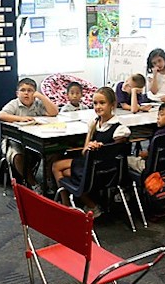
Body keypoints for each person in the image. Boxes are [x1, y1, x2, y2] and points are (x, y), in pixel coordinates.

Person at [52, 87, 131, 217]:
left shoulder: (120, 130)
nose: (98, 106)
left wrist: (103, 146)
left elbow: (118, 153)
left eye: (102, 103)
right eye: (95, 103)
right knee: (56, 166)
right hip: (90, 164)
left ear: (112, 104)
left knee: (63, 172)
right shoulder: (93, 123)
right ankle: (68, 203)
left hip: (104, 171)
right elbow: (84, 152)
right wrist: (89, 147)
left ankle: (89, 205)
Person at [0, 78, 58, 193]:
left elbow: (54, 112)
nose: (26, 93)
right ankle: (33, 183)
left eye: (30, 90)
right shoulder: (14, 104)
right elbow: (0, 115)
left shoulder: (37, 104)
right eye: (23, 90)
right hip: (14, 142)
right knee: (18, 156)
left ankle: (49, 180)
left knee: (53, 152)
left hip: (35, 141)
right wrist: (21, 119)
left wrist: (41, 97)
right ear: (17, 93)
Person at [127, 101, 165, 173]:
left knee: (126, 160)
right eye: (158, 115)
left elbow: (149, 154)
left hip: (151, 168)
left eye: (161, 115)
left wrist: (143, 154)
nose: (158, 118)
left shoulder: (159, 135)